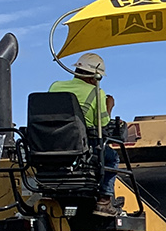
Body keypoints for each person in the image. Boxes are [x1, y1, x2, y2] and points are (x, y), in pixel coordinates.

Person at [48, 52, 137, 208]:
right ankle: (104, 200)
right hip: (83, 147)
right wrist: (109, 106)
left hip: (52, 146)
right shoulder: (97, 93)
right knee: (112, 158)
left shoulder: (55, 86)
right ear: (94, 77)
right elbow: (103, 126)